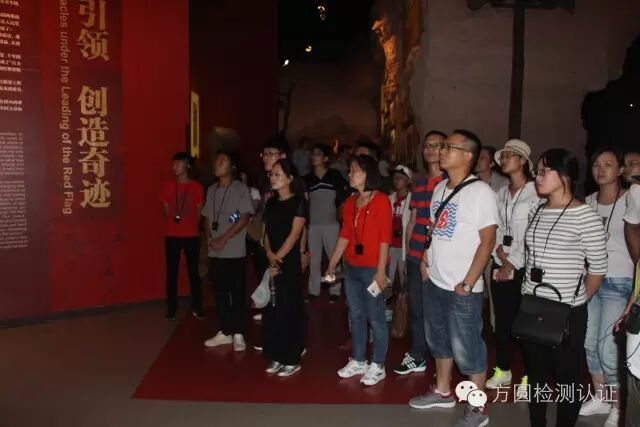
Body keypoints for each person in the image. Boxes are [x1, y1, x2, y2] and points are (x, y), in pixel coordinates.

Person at [409, 130, 498, 427]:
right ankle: (443, 391)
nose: (443, 151)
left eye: (449, 147)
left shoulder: (481, 193)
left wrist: (469, 283)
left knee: (468, 348)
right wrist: (425, 259)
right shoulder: (440, 188)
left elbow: (487, 241)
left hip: (463, 287)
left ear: (467, 156)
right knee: (438, 340)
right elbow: (433, 229)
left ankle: (478, 408)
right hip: (435, 280)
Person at [521, 149, 607, 427]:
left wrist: (575, 302)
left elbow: (597, 269)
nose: (538, 177)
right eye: (537, 171)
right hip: (533, 307)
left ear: (565, 176)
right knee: (536, 377)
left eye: (544, 171)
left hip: (567, 312)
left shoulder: (585, 216)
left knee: (567, 379)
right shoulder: (537, 209)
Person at [578, 148, 633, 426]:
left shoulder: (632, 199)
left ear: (620, 170)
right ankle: (601, 397)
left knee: (608, 348)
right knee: (589, 343)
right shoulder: (587, 202)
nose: (601, 169)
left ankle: (618, 405)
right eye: (596, 164)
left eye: (608, 164)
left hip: (619, 280)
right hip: (590, 279)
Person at [326, 154, 392, 386]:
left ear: (367, 173)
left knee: (376, 317)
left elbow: (385, 238)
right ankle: (359, 359)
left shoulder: (381, 200)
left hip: (373, 268)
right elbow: (345, 234)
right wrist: (333, 262)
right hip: (351, 267)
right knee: (355, 315)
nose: (350, 174)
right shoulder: (351, 201)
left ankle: (379, 364)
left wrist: (381, 271)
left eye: (354, 170)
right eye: (350, 170)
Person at [485, 139, 539, 389]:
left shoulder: (536, 192)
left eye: (510, 155)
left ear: (523, 161)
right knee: (502, 322)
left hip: (525, 267)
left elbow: (533, 233)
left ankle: (530, 376)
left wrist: (512, 263)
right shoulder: (501, 194)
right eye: (503, 156)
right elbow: (495, 228)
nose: (504, 159)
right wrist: (501, 258)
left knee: (526, 325)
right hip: (500, 263)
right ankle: (503, 369)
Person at [393, 130, 446, 375]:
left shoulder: (449, 183)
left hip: (439, 258)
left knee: (440, 311)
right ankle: (417, 354)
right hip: (416, 255)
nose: (430, 150)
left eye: (436, 145)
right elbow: (413, 221)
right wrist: (407, 256)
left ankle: (442, 359)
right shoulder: (420, 183)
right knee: (417, 309)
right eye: (427, 146)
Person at [202, 150, 254, 351]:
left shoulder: (240, 188)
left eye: (222, 161)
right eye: (216, 160)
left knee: (237, 291)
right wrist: (210, 238)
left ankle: (238, 332)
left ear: (232, 166)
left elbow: (243, 216)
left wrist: (223, 238)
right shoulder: (211, 190)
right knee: (220, 292)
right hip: (215, 250)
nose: (217, 164)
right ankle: (225, 331)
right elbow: (208, 216)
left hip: (233, 250)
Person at [262, 159, 308, 377]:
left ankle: (292, 358)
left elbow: (294, 235)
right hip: (272, 259)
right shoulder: (270, 202)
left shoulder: (299, 202)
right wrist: (269, 254)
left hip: (288, 262)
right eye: (271, 174)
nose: (273, 178)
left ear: (289, 179)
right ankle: (277, 354)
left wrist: (277, 259)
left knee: (289, 307)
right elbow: (265, 233)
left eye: (277, 174)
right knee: (274, 309)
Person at [159, 152, 204, 321]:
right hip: (172, 234)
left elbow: (199, 211)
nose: (174, 167)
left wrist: (191, 224)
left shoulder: (197, 187)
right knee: (172, 272)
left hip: (191, 234)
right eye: (173, 164)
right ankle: (171, 307)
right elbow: (166, 210)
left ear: (187, 165)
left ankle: (197, 305)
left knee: (194, 272)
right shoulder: (168, 186)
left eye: (177, 164)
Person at [304, 143, 348, 303]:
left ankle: (335, 290)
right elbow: (304, 202)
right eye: (313, 154)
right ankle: (313, 291)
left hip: (331, 224)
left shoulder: (334, 175)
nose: (314, 156)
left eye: (318, 154)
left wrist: (341, 217)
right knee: (314, 260)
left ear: (326, 158)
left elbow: (343, 199)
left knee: (333, 257)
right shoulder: (307, 179)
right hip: (313, 225)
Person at [387, 165, 412, 293]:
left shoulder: (413, 199)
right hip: (390, 245)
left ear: (408, 180)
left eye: (400, 178)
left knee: (405, 278)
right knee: (387, 277)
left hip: (405, 246)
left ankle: (403, 302)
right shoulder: (389, 198)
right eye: (395, 178)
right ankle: (385, 301)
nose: (396, 180)